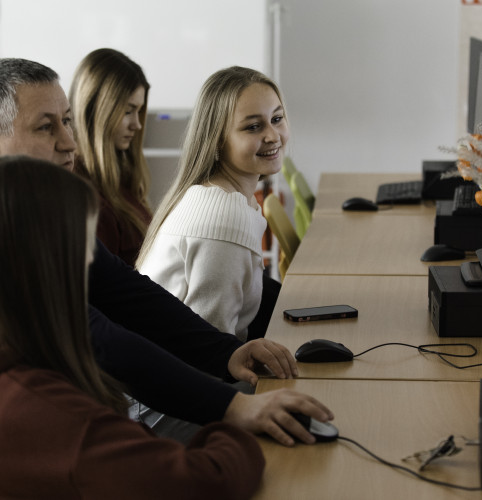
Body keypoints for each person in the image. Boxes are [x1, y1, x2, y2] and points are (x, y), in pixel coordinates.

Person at [0, 57, 334, 448]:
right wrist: (232, 406)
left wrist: (225, 354)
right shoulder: (21, 227)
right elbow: (96, 335)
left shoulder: (46, 212)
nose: (69, 142)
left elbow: (128, 293)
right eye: (46, 127)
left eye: (67, 122)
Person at [0, 156, 264, 499]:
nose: (92, 262)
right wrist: (234, 428)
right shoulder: (57, 417)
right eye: (83, 249)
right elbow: (206, 481)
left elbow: (128, 293)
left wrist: (225, 353)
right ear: (49, 264)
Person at [138, 66, 285, 341]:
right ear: (217, 140)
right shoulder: (224, 216)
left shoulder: (221, 196)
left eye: (277, 119)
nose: (273, 135)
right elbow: (210, 347)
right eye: (253, 127)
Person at [69, 48, 152, 266]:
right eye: (128, 111)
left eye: (139, 111)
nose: (137, 124)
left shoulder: (120, 181)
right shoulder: (86, 197)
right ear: (97, 109)